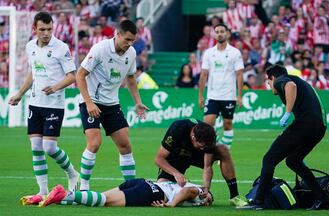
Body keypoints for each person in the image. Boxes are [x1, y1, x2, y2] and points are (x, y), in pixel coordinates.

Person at [242, 64, 329, 210]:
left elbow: (290, 87)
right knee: (293, 161)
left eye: (268, 81)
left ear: (273, 77)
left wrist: (287, 112)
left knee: (269, 158)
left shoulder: (282, 80)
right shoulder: (297, 80)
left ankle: (258, 201)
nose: (269, 84)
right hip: (319, 127)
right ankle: (324, 198)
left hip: (305, 125)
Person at [8, 12, 79, 198]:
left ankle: (72, 173)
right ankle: (43, 191)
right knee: (36, 148)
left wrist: (55, 87)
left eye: (49, 29)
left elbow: (72, 75)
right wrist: (19, 94)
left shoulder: (61, 48)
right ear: (35, 29)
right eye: (42, 29)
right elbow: (33, 72)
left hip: (54, 105)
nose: (46, 33)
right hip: (34, 104)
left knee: (49, 148)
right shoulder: (30, 46)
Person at [76, 19, 148, 191]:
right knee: (94, 143)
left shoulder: (130, 53)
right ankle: (83, 186)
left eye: (133, 41)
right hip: (92, 101)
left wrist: (138, 102)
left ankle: (131, 187)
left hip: (112, 104)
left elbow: (130, 78)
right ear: (118, 34)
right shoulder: (100, 49)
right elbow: (80, 75)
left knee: (125, 144)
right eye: (127, 40)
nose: (130, 44)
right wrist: (89, 103)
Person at [154, 119, 247, 207]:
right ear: (193, 137)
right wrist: (176, 173)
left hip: (195, 156)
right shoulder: (178, 129)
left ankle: (234, 196)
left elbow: (207, 166)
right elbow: (158, 159)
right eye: (201, 146)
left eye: (205, 147)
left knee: (223, 149)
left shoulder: (207, 136)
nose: (203, 149)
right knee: (164, 186)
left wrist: (206, 188)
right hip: (177, 156)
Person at [198, 23, 244, 148]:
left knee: (227, 124)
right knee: (207, 124)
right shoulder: (208, 53)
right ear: (214, 34)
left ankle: (226, 150)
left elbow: (239, 75)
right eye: (217, 31)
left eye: (222, 31)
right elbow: (203, 75)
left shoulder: (235, 52)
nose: (219, 34)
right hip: (212, 95)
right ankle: (218, 146)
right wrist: (201, 95)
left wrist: (239, 96)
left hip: (229, 95)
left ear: (227, 34)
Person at [35, 178, 213, 208]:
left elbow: (165, 182)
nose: (207, 201)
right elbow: (189, 191)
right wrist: (171, 204)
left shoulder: (194, 189)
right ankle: (64, 193)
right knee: (104, 201)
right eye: (209, 198)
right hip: (151, 192)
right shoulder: (197, 191)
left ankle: (45, 198)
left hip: (144, 183)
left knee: (96, 199)